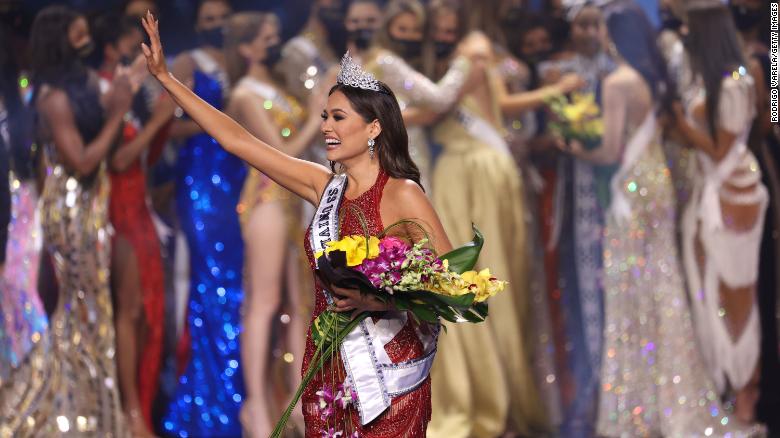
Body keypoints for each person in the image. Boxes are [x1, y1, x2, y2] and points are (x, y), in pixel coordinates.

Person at [141, 11, 453, 436]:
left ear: (374, 128)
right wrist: (166, 78)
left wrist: (380, 301)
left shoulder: (402, 192)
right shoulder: (322, 186)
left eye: (338, 118)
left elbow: (453, 280)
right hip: (328, 364)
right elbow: (237, 140)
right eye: (324, 116)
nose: (325, 126)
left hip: (389, 371)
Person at [555, 1, 763, 435]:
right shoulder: (657, 78)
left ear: (614, 37)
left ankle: (640, 404)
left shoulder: (618, 82)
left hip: (637, 188)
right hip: (660, 183)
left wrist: (571, 145)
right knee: (665, 283)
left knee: (632, 286)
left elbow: (610, 150)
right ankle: (678, 393)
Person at [420, 1, 580, 435]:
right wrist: (553, 90)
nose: (444, 21)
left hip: (473, 171)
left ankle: (490, 395)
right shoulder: (473, 50)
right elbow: (499, 104)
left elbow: (438, 108)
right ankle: (499, 393)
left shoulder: (470, 50)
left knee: (475, 276)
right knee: (482, 276)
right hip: (484, 168)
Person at [0, 6, 139, 435]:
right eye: (79, 37)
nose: (87, 43)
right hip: (72, 209)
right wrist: (118, 112)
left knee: (91, 309)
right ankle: (52, 400)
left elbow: (108, 146)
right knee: (85, 309)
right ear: (62, 43)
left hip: (95, 202)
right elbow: (80, 161)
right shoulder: (51, 99)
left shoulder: (81, 89)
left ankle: (89, 406)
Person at [221, 12, 326, 437]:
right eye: (264, 38)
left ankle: (300, 403)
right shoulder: (246, 93)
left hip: (296, 202)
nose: (272, 43)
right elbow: (280, 156)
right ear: (245, 48)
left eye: (274, 37)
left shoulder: (278, 87)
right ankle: (257, 409)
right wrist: (315, 115)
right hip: (267, 197)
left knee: (300, 303)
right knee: (263, 304)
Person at [673, 0, 767, 426]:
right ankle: (724, 384)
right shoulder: (720, 78)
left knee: (736, 292)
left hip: (732, 195)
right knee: (710, 288)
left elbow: (721, 148)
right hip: (713, 189)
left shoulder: (734, 83)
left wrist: (681, 124)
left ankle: (746, 388)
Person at [160, 1, 249, 436]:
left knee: (238, 286)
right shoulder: (186, 61)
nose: (216, 26)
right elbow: (166, 127)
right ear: (197, 23)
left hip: (237, 182)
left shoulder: (239, 60)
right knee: (210, 283)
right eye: (208, 20)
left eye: (222, 19)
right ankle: (209, 406)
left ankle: (240, 395)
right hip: (201, 185)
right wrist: (215, 124)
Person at [93, 12, 174, 435]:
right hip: (116, 213)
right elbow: (119, 160)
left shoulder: (134, 96)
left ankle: (140, 405)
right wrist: (160, 122)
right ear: (114, 50)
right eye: (138, 47)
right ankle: (130, 410)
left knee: (147, 313)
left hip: (139, 210)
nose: (147, 56)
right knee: (130, 310)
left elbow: (144, 159)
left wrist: (159, 121)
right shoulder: (108, 91)